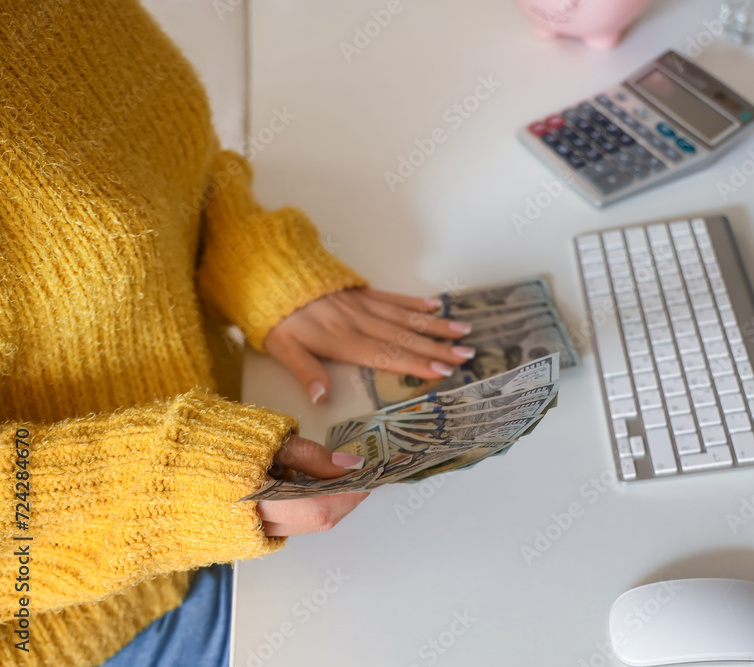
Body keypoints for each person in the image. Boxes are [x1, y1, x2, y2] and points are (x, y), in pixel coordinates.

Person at [0, 1, 475, 664]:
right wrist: (168, 487)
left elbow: (157, 154)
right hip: (103, 620)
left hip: (239, 436)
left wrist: (249, 257)